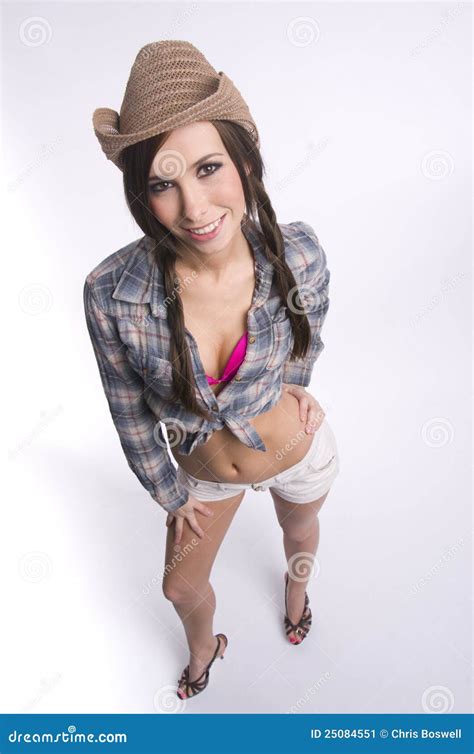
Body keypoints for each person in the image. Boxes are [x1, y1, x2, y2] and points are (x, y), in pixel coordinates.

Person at [85, 40, 340, 701]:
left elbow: (309, 329)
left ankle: (296, 589)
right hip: (205, 475)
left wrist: (297, 386)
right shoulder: (114, 293)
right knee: (179, 585)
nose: (194, 209)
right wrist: (169, 494)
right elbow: (128, 411)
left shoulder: (300, 253)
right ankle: (206, 649)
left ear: (246, 162)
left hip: (294, 446)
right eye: (163, 185)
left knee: (299, 530)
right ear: (141, 194)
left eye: (208, 168)